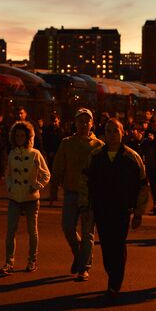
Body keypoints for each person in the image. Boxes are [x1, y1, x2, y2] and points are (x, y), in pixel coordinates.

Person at [83, 118, 149, 299]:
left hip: (122, 210)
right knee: (106, 245)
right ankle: (112, 275)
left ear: (122, 133)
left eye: (115, 131)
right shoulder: (95, 157)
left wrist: (138, 212)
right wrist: (87, 208)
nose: (112, 135)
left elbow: (143, 186)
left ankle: (114, 283)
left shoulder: (131, 157)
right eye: (108, 131)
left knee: (118, 245)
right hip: (101, 208)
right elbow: (86, 184)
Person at [52, 108, 104, 281]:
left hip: (90, 194)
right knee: (67, 227)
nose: (83, 124)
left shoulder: (98, 146)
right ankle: (79, 253)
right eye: (80, 120)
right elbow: (58, 166)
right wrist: (54, 188)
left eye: (86, 121)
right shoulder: (67, 143)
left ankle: (84, 267)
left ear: (92, 123)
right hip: (71, 192)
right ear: (75, 123)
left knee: (88, 231)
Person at [0, 121, 50, 275]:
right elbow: (8, 174)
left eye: (23, 135)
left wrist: (37, 186)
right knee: (10, 231)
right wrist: (10, 186)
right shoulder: (12, 154)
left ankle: (32, 261)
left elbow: (46, 174)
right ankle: (9, 262)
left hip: (31, 199)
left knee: (32, 231)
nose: (20, 137)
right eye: (17, 135)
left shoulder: (35, 154)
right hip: (15, 197)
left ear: (28, 137)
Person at [42, 112, 65, 206]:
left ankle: (56, 194)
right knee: (52, 174)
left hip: (58, 154)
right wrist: (48, 151)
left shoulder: (61, 131)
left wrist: (58, 152)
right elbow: (45, 141)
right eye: (52, 121)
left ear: (58, 120)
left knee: (58, 174)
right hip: (50, 154)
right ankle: (53, 194)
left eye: (55, 121)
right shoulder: (48, 130)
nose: (54, 123)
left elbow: (62, 143)